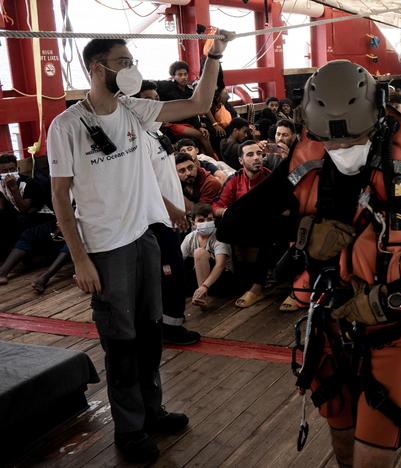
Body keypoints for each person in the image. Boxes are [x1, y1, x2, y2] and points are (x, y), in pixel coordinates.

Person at [217, 60, 401, 467]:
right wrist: (301, 229)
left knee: (372, 456)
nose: (343, 151)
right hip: (328, 327)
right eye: (332, 143)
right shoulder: (306, 169)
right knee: (342, 444)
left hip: (390, 333)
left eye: (353, 139)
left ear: (376, 122)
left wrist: (389, 298)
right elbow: (232, 226)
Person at [47, 30, 234, 463]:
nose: (131, 69)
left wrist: (215, 54)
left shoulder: (135, 110)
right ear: (98, 68)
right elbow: (60, 196)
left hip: (143, 238)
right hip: (105, 250)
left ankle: (153, 411)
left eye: (132, 60)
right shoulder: (67, 126)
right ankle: (129, 430)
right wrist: (80, 260)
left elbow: (200, 103)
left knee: (150, 335)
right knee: (122, 343)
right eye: (123, 61)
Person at [136, 82, 201, 346]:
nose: (155, 106)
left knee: (174, 274)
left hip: (171, 215)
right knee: (169, 274)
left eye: (156, 100)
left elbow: (166, 179)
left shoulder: (157, 134)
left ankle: (171, 322)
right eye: (147, 101)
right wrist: (172, 209)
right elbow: (145, 184)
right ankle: (169, 328)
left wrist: (183, 205)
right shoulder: (140, 140)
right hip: (157, 218)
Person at [212, 140, 271, 308]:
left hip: (266, 228)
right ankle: (238, 281)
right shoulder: (235, 180)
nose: (256, 158)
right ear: (241, 160)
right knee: (224, 226)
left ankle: (257, 287)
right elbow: (217, 206)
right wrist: (227, 212)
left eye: (259, 154)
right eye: (250, 155)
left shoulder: (269, 178)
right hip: (243, 227)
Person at [156, 61, 216, 157]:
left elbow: (194, 111)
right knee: (201, 136)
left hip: (187, 123)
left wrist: (199, 126)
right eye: (179, 75)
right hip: (173, 124)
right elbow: (151, 88)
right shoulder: (166, 86)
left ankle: (205, 158)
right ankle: (214, 159)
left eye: (185, 74)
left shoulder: (189, 91)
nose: (183, 77)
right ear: (173, 76)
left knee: (205, 133)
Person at [181, 203, 233, 309]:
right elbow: (178, 260)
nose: (206, 223)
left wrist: (204, 287)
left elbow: (220, 264)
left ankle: (202, 297)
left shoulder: (219, 236)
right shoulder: (190, 238)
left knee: (199, 253)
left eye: (209, 219)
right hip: (200, 279)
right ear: (193, 222)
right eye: (201, 220)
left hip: (221, 279)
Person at [0, 153, 52, 257]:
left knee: (19, 221)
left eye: (12, 170)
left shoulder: (28, 182)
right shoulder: (1, 185)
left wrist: (14, 188)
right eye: (4, 171)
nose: (9, 174)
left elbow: (24, 209)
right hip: (20, 216)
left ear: (18, 169)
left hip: (42, 215)